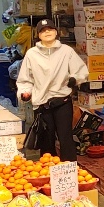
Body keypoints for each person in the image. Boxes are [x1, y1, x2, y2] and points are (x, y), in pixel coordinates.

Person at [17, 17, 89, 161]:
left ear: (56, 32)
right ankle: (48, 171)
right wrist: (25, 93)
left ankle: (70, 170)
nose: (47, 32)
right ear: (38, 35)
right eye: (43, 31)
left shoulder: (66, 51)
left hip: (62, 101)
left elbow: (81, 71)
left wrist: (75, 79)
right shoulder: (32, 54)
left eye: (50, 29)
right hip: (42, 104)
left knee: (65, 137)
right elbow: (25, 79)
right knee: (46, 140)